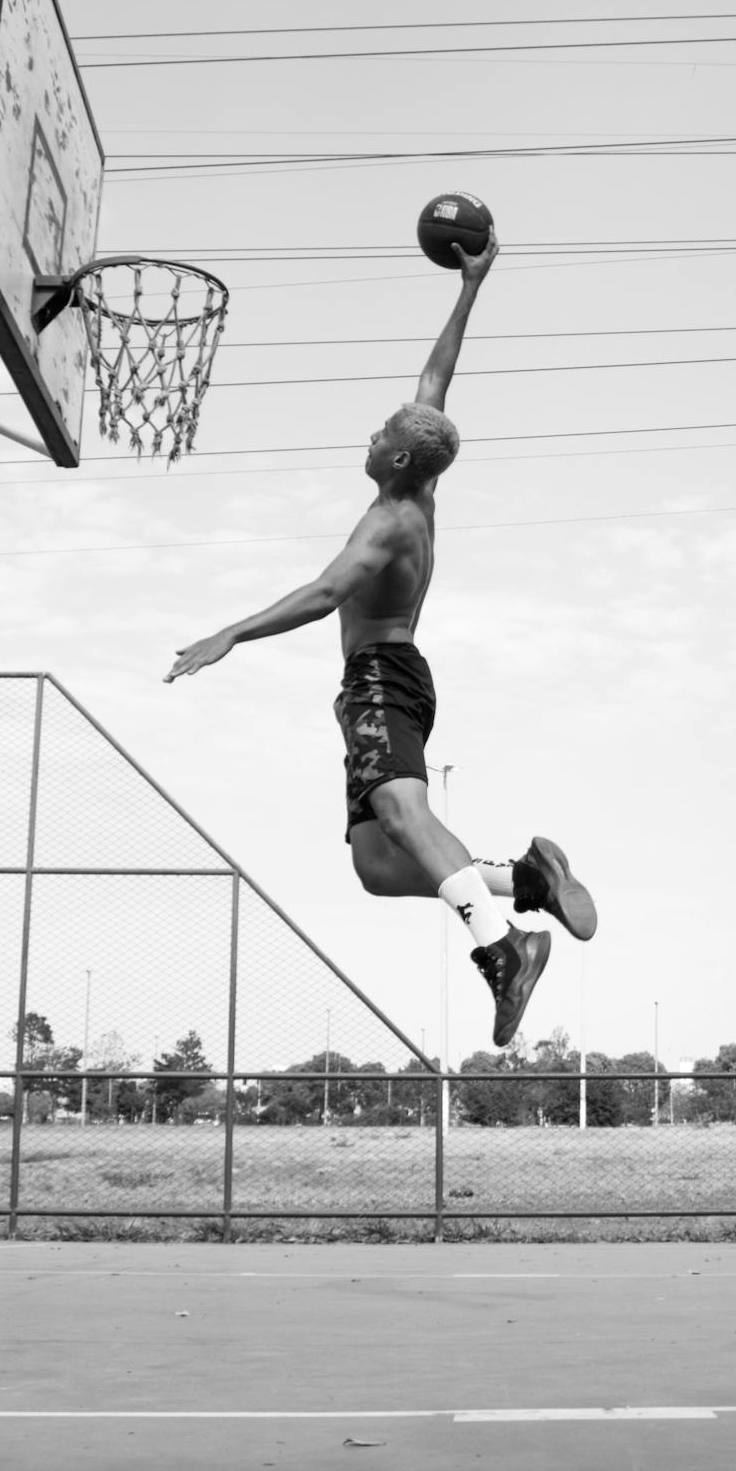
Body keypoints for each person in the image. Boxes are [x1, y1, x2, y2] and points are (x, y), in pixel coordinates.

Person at [166, 230, 596, 1047]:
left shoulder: (389, 522)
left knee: (402, 810)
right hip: (397, 677)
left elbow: (327, 591)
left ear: (396, 456)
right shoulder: (422, 480)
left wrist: (231, 632)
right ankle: (524, 879)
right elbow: (436, 380)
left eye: (377, 434)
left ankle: (504, 950)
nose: (367, 436)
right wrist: (470, 289)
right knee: (376, 867)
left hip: (378, 678)